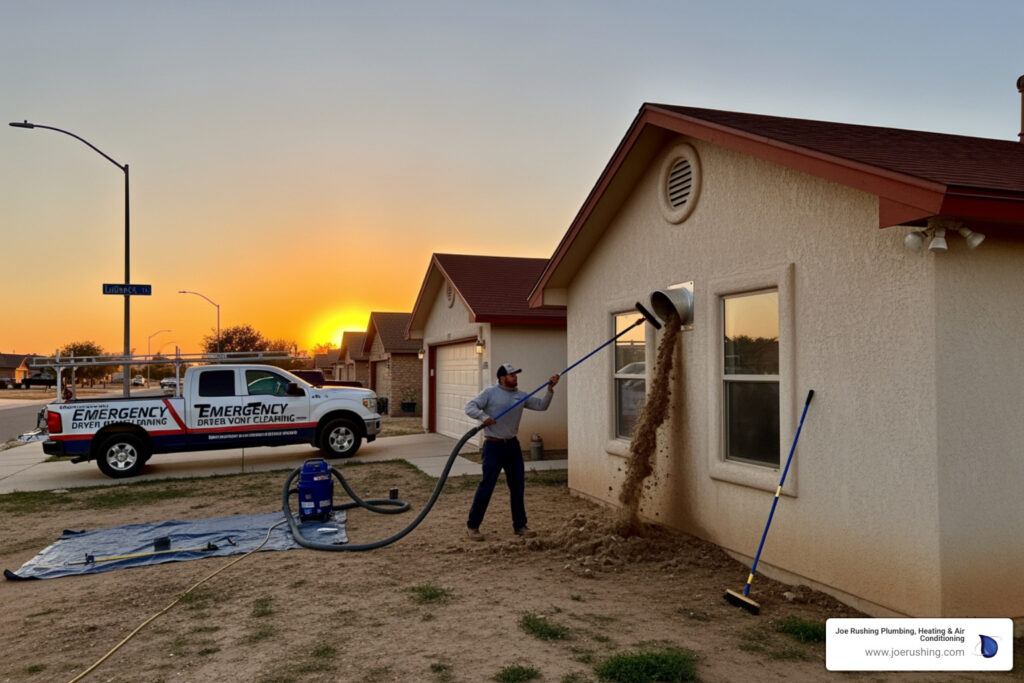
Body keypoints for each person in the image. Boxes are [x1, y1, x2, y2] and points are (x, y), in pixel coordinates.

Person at [464, 363, 560, 541]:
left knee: (517, 487)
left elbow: (541, 406)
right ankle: (473, 526)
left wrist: (550, 389)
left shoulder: (520, 395)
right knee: (487, 486)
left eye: (516, 374)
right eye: (512, 375)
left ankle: (520, 525)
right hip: (493, 446)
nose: (515, 377)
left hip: (512, 447)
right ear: (502, 378)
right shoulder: (490, 393)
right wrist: (484, 418)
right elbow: (470, 407)